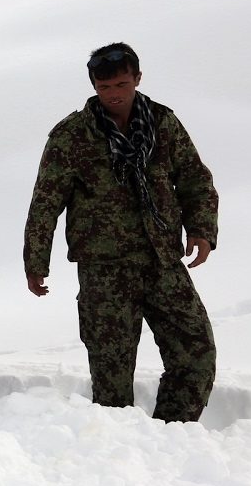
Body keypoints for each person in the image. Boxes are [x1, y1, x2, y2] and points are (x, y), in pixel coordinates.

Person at [24, 42, 218, 423]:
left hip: (162, 261)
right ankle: (118, 458)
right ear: (94, 85)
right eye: (105, 87)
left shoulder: (163, 123)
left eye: (122, 85)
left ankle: (172, 434)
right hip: (104, 271)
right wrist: (36, 260)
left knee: (196, 353)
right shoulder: (71, 136)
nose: (114, 94)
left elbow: (195, 179)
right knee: (111, 377)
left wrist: (202, 229)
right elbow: (46, 202)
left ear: (138, 79)